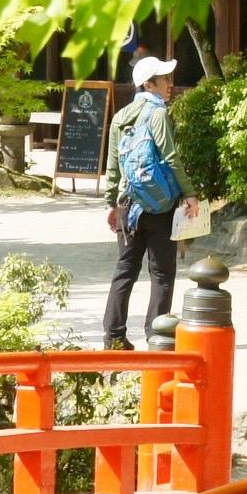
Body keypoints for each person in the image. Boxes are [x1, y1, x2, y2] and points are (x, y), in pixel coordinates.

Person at [101, 57, 187, 349]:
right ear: (148, 84)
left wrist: (110, 204)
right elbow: (171, 158)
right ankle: (157, 335)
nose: (169, 85)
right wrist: (189, 193)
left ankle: (114, 336)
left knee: (125, 270)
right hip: (160, 205)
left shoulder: (120, 116)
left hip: (128, 205)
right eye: (164, 80)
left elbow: (112, 167)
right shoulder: (158, 114)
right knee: (162, 272)